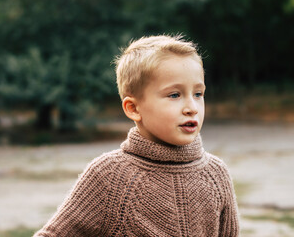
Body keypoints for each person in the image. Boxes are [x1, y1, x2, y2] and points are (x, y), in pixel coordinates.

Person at [33, 35, 239, 236]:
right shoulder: (109, 175)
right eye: (174, 95)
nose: (191, 108)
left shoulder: (216, 173)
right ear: (133, 108)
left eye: (198, 94)